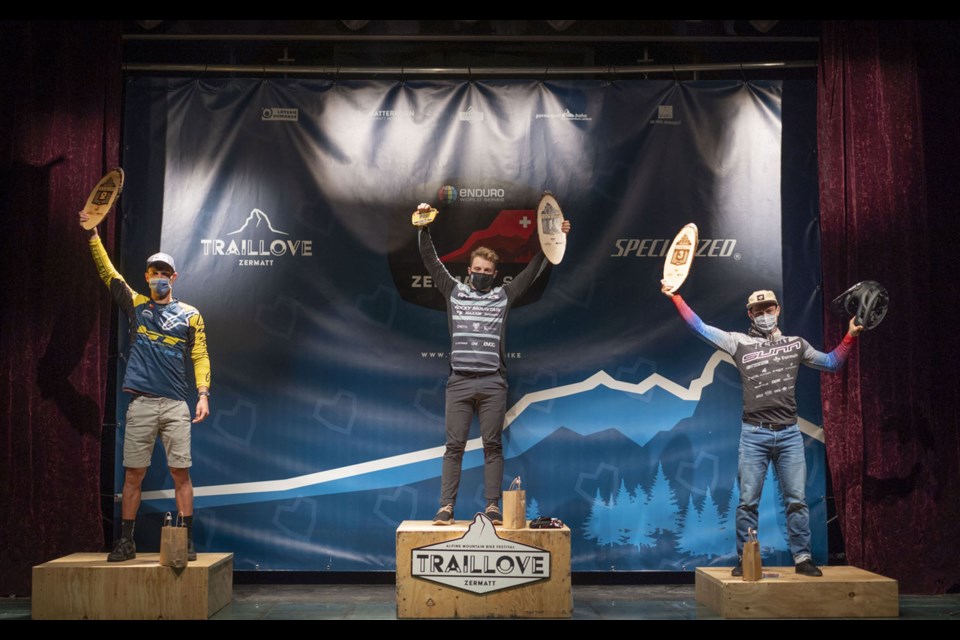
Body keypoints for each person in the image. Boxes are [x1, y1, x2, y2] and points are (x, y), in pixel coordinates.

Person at [661, 283, 863, 576]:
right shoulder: (738, 342)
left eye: (769, 309)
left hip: (789, 435)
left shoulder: (796, 344)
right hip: (753, 434)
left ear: (777, 310)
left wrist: (850, 335)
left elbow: (832, 362)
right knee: (747, 502)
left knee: (797, 500)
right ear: (750, 314)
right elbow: (700, 328)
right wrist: (676, 296)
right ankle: (746, 559)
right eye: (758, 311)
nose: (765, 314)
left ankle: (803, 559)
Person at [417, 203, 570, 525]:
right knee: (453, 447)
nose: (482, 275)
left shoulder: (503, 296)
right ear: (468, 270)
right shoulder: (454, 291)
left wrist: (554, 240)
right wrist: (423, 227)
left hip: (492, 382)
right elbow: (430, 261)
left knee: (492, 446)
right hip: (459, 381)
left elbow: (532, 272)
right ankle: (446, 507)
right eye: (477, 270)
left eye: (487, 272)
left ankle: (492, 507)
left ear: (495, 275)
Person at [80, 210, 211, 562]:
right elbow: (108, 273)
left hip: (175, 406)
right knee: (133, 473)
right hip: (140, 404)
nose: (159, 278)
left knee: (180, 472)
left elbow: (199, 355)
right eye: (154, 273)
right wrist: (93, 236)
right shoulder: (136, 306)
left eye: (165, 273)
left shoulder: (191, 315)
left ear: (174, 277)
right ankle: (126, 541)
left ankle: (185, 540)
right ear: (147, 276)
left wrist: (202, 395)